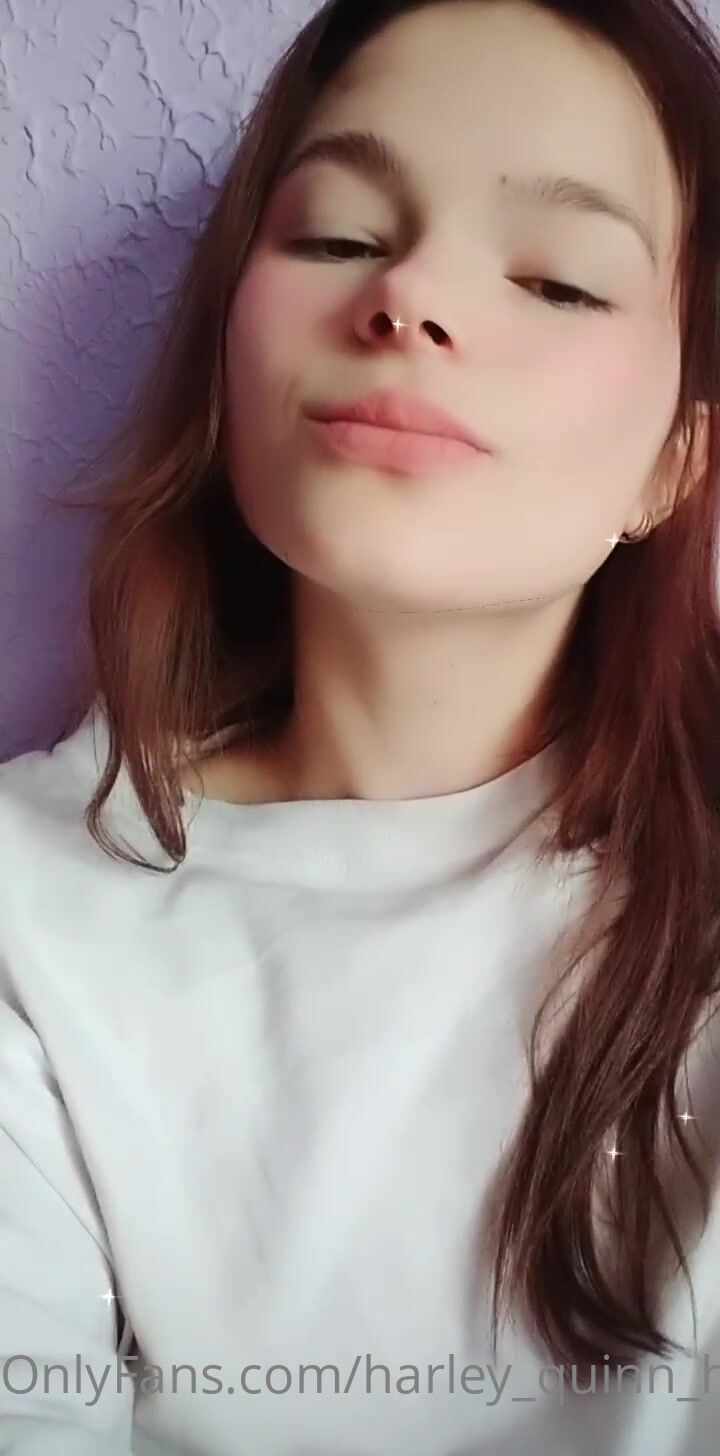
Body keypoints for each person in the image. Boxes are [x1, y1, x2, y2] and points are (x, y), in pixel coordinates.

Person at [2, 0, 720, 1451]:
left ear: (676, 464)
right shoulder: (30, 906)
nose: (411, 297)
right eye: (337, 236)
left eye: (559, 279)